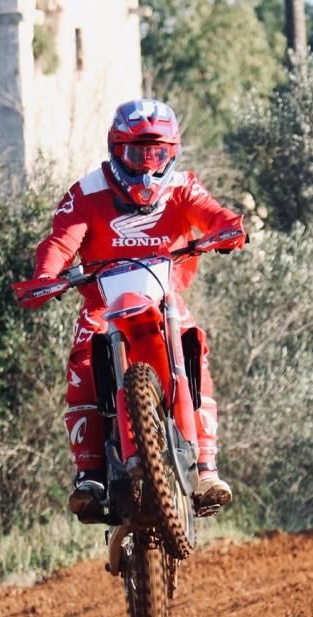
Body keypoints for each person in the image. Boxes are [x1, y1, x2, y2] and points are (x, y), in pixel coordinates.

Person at [31, 98, 245, 520]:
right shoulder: (88, 191)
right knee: (82, 362)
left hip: (165, 299)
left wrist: (228, 230)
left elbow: (214, 214)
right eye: (137, 154)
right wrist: (46, 276)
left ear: (173, 153)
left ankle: (205, 468)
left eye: (159, 154)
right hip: (103, 305)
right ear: (116, 150)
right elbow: (59, 242)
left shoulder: (183, 187)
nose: (148, 166)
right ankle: (89, 475)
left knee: (193, 350)